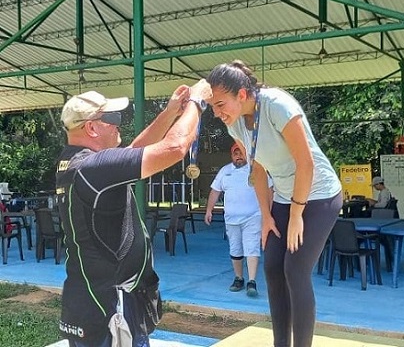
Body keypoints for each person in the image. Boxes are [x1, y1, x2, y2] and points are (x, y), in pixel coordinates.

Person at [55, 81, 212, 347]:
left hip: (89, 301)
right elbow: (175, 148)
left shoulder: (78, 164)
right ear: (91, 127)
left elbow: (134, 153)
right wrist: (197, 103)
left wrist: (171, 111)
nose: (119, 124)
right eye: (112, 118)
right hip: (112, 310)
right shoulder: (94, 169)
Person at [205, 60, 342, 347]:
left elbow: (306, 164)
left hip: (317, 195)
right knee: (271, 268)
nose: (217, 113)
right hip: (282, 197)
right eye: (213, 107)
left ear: (241, 94)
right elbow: (257, 169)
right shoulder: (236, 125)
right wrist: (266, 216)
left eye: (220, 104)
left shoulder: (277, 105)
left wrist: (296, 215)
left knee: (295, 269)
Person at [204, 142, 273, 297]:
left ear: (246, 154)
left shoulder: (257, 169)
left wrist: (268, 212)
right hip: (231, 218)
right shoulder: (224, 171)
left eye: (241, 153)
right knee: (235, 248)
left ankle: (252, 281)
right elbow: (215, 191)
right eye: (235, 154)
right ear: (232, 156)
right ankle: (239, 278)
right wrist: (209, 210)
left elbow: (269, 190)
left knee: (252, 246)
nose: (238, 156)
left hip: (253, 216)